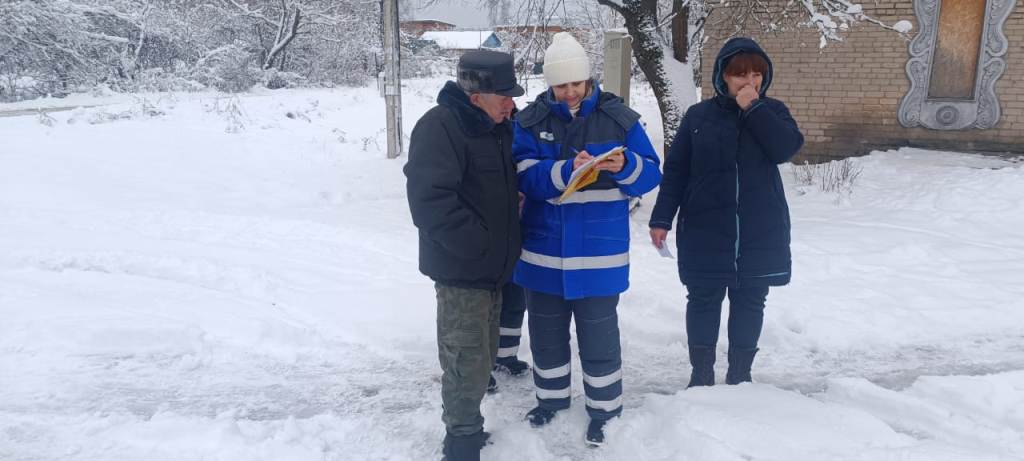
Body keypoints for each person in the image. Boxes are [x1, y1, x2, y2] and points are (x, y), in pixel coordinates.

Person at [512, 32, 662, 446]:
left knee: (600, 341)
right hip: (543, 254)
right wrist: (563, 172)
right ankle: (551, 401)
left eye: (576, 83)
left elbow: (651, 173)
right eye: (561, 85)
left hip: (599, 256)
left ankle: (604, 409)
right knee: (545, 339)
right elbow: (522, 173)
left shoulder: (619, 119)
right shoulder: (529, 121)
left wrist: (625, 163)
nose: (570, 92)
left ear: (588, 79)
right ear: (549, 84)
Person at [648, 37, 804, 388]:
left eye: (756, 75)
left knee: (750, 300)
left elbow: (784, 149)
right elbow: (676, 170)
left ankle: (739, 376)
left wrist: (755, 109)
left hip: (759, 228)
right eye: (740, 75)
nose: (749, 82)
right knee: (703, 299)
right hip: (705, 226)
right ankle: (701, 373)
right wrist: (661, 218)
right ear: (723, 77)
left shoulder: (773, 111)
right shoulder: (699, 116)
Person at [404, 49, 524, 461]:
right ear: (477, 96)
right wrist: (480, 245)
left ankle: (468, 428)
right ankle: (461, 441)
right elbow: (430, 202)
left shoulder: (495, 126)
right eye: (504, 95)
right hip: (463, 269)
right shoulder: (441, 127)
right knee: (465, 360)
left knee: (483, 355)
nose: (512, 102)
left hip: (492, 270)